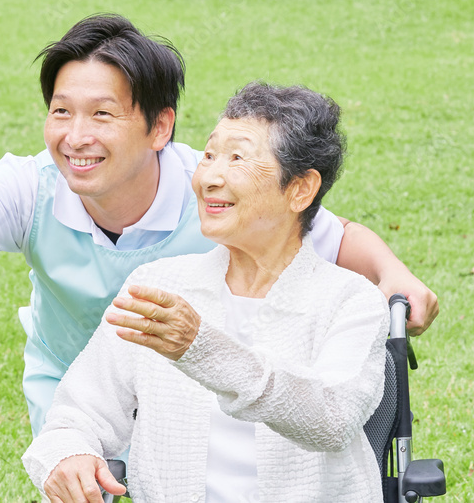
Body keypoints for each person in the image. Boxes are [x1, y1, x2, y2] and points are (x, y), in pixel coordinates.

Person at [0, 13, 437, 437]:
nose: (76, 136)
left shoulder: (216, 190)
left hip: (191, 392)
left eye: (103, 114)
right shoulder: (30, 186)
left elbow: (335, 236)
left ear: (159, 126)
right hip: (78, 394)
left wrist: (394, 274)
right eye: (61, 111)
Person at [24, 82, 389, 502]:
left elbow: (332, 419)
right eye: (210, 155)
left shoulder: (350, 300)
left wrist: (200, 347)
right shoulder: (161, 287)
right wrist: (68, 454)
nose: (209, 177)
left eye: (237, 159)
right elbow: (78, 412)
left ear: (300, 189)